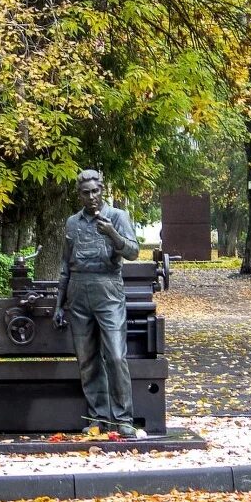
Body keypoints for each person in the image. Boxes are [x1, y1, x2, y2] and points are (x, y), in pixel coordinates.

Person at [52, 169, 144, 437]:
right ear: (79, 195)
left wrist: (112, 233)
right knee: (87, 359)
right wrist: (60, 303)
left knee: (115, 355)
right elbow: (65, 265)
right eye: (85, 193)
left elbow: (134, 252)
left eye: (95, 191)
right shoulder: (72, 223)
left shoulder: (117, 216)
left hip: (108, 290)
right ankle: (97, 417)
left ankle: (123, 418)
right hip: (78, 292)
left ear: (102, 190)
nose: (91, 197)